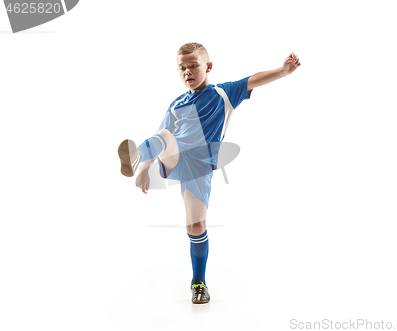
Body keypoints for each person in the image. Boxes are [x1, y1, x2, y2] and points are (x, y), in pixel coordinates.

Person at [117, 42, 301, 304]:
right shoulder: (177, 103)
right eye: (182, 68)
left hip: (200, 166)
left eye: (193, 66)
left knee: (196, 226)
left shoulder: (222, 93)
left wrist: (283, 71)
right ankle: (136, 158)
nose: (188, 72)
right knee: (167, 134)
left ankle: (198, 283)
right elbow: (158, 134)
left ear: (208, 66)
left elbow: (253, 80)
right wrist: (144, 170)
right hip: (174, 154)